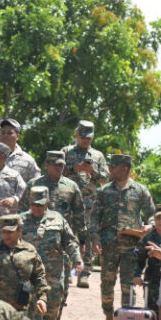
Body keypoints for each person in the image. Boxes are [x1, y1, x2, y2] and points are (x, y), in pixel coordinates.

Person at [19, 150, 87, 320]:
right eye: (55, 164)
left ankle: (55, 319)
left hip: (60, 242)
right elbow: (22, 209)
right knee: (31, 288)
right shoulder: (34, 185)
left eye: (62, 164)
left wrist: (82, 240)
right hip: (33, 242)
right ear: (47, 164)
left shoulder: (71, 186)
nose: (59, 167)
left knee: (59, 288)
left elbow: (79, 213)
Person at [91, 154, 155, 320]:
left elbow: (152, 213)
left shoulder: (140, 190)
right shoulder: (104, 191)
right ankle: (109, 318)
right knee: (107, 283)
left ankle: (126, 318)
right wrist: (95, 239)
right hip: (108, 245)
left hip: (131, 246)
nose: (110, 170)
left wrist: (150, 226)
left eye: (113, 167)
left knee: (128, 284)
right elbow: (95, 216)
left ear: (125, 168)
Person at [20, 186, 82, 320]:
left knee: (52, 307)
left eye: (40, 204)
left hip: (53, 273)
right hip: (29, 274)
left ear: (47, 203)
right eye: (33, 204)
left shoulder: (58, 219)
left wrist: (76, 259)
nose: (36, 208)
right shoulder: (21, 220)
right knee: (30, 308)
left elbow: (69, 242)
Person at [61, 120, 110, 288]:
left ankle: (84, 273)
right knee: (67, 236)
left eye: (89, 138)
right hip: (67, 202)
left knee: (88, 238)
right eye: (83, 137)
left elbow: (106, 179)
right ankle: (65, 272)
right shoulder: (66, 151)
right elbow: (55, 171)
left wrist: (93, 172)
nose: (85, 141)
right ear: (76, 135)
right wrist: (74, 168)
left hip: (89, 204)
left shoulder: (98, 156)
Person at [0, 118, 40, 183]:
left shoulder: (28, 161)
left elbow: (36, 186)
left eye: (9, 133)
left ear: (17, 136)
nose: (5, 135)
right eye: (3, 133)